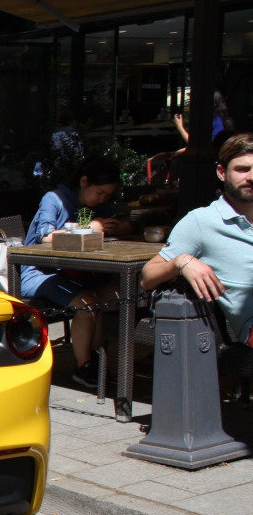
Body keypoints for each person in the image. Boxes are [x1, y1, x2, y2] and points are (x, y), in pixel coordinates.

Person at [20, 156, 133, 389]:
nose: (102, 198)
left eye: (107, 195)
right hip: (39, 271)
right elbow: (45, 237)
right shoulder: (55, 200)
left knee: (111, 295)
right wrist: (89, 229)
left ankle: (95, 358)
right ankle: (84, 366)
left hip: (78, 273)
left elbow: (126, 224)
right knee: (88, 303)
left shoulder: (99, 207)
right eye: (100, 192)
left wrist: (117, 226)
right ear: (84, 181)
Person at [141, 133, 253, 348]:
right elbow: (147, 277)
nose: (251, 177)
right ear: (222, 172)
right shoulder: (202, 220)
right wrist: (181, 262)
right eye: (242, 169)